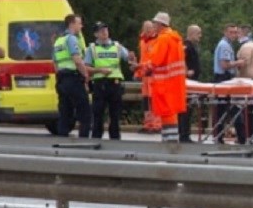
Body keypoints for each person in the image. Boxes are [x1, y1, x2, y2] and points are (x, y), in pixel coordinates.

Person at [140, 12, 187, 143]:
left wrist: (139, 68)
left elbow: (155, 61)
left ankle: (169, 144)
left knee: (167, 114)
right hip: (174, 84)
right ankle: (171, 140)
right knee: (172, 114)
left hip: (163, 84)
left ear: (161, 24)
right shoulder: (176, 39)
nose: (153, 26)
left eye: (155, 23)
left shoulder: (163, 39)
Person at [84, 22, 132, 140]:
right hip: (100, 83)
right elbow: (86, 67)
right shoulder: (92, 48)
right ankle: (96, 137)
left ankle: (115, 138)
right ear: (96, 34)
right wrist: (100, 70)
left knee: (115, 114)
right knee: (98, 113)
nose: (104, 32)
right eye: (101, 31)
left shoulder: (117, 46)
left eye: (105, 30)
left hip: (114, 83)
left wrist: (132, 57)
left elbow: (129, 59)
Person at [53, 13, 92, 137]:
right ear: (72, 24)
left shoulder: (58, 41)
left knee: (65, 112)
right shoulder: (71, 39)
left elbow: (55, 63)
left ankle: (62, 137)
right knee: (84, 111)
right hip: (72, 78)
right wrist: (85, 75)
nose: (81, 26)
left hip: (61, 79)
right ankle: (84, 139)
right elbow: (77, 59)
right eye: (79, 23)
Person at [211, 23, 243, 140]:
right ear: (225, 32)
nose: (233, 35)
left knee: (225, 108)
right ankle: (238, 136)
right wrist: (238, 63)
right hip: (223, 79)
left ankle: (219, 136)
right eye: (231, 32)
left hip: (225, 78)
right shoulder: (224, 45)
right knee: (225, 108)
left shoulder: (227, 45)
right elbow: (224, 65)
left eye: (235, 32)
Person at [234, 25, 253, 144]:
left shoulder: (246, 47)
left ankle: (244, 135)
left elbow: (242, 64)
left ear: (243, 33)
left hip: (245, 80)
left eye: (239, 33)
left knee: (242, 109)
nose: (237, 36)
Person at [178, 24, 203, 142]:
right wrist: (187, 71)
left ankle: (185, 133)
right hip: (188, 82)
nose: (200, 36)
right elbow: (181, 58)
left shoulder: (192, 46)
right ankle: (184, 134)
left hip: (193, 82)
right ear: (192, 33)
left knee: (189, 109)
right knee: (186, 110)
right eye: (198, 33)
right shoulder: (186, 46)